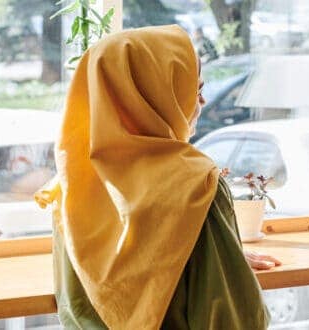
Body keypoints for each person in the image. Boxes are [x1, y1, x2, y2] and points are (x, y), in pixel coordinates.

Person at [34, 25, 279, 329]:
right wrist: (227, 267)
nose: (200, 104)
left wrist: (214, 255)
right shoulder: (195, 185)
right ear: (153, 97)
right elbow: (236, 321)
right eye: (194, 91)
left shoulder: (67, 188)